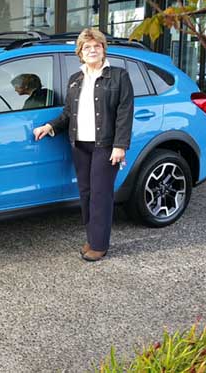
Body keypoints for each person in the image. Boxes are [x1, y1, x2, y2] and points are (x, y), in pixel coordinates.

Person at [33, 28, 134, 262]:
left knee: (101, 194)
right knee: (86, 194)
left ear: (103, 49)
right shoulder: (75, 80)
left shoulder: (119, 76)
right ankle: (92, 237)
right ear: (80, 52)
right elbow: (69, 113)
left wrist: (120, 146)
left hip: (105, 146)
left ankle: (100, 244)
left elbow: (124, 113)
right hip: (80, 144)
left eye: (96, 46)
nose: (92, 50)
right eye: (87, 47)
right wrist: (50, 126)